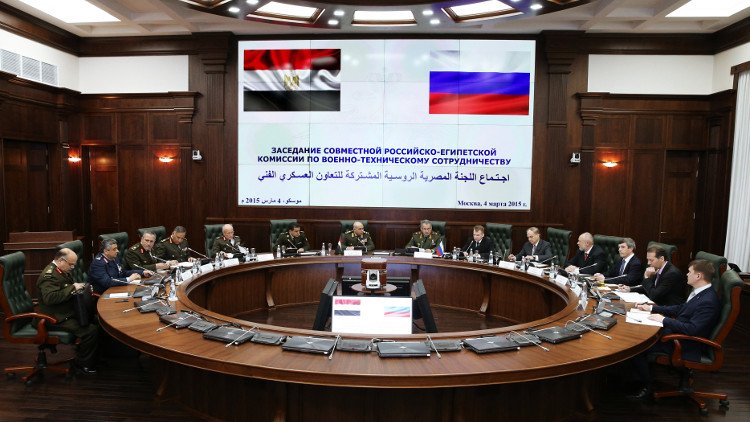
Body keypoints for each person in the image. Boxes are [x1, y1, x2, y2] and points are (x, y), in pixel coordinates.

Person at [628, 259, 720, 400]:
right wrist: (651, 308)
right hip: (678, 333)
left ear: (698, 276)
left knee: (637, 347)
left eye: (689, 272)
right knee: (640, 334)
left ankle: (646, 387)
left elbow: (692, 329)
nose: (686, 274)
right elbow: (680, 308)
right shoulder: (701, 292)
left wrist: (663, 320)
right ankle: (636, 379)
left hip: (686, 344)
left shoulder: (708, 301)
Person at [37, 248, 98, 375]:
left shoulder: (60, 270)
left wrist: (78, 287)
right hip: (54, 317)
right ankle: (82, 365)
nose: (73, 267)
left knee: (97, 320)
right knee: (90, 331)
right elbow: (50, 298)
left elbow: (64, 288)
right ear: (61, 261)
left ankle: (91, 356)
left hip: (65, 311)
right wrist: (72, 288)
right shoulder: (49, 276)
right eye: (71, 264)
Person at [617, 245, 685, 306]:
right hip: (657, 303)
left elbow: (654, 295)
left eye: (651, 260)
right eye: (648, 260)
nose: (648, 263)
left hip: (667, 308)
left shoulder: (671, 273)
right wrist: (630, 289)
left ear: (661, 259)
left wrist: (647, 277)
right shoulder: (658, 268)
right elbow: (649, 287)